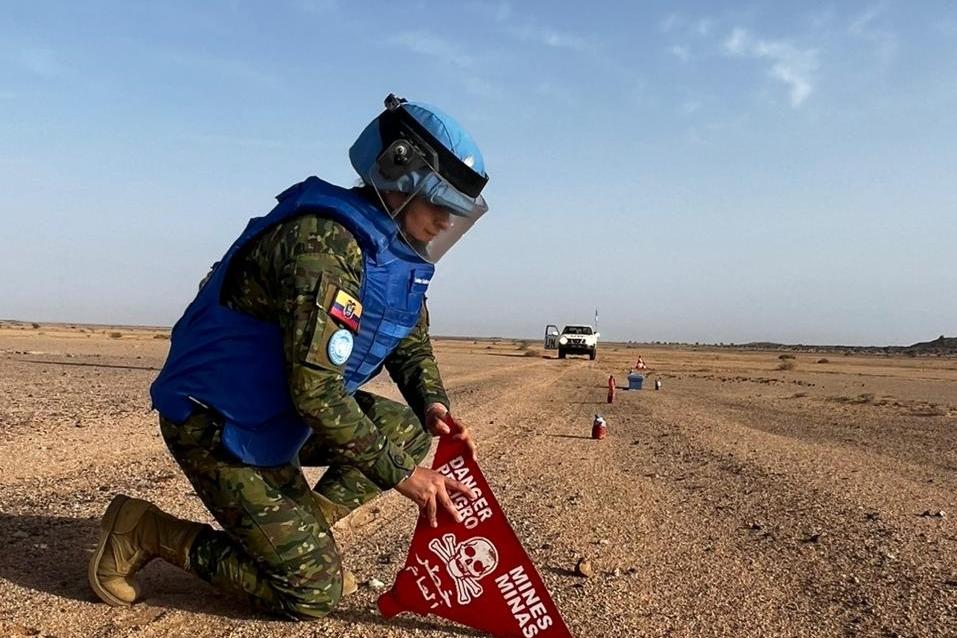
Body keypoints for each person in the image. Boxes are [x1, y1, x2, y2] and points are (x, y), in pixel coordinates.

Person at [88, 94, 489, 619]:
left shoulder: (391, 254)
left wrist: (434, 406)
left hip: (278, 412)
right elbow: (317, 396)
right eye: (438, 204)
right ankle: (145, 530)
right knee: (312, 594)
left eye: (455, 212)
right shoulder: (324, 247)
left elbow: (409, 339)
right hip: (220, 420)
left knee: (408, 430)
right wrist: (407, 478)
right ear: (398, 175)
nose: (445, 222)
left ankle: (295, 537)